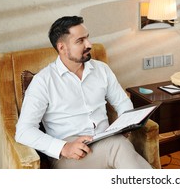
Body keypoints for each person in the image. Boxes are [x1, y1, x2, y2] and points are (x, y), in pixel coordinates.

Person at [15, 16, 152, 169]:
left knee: (118, 145)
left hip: (106, 140)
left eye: (87, 38)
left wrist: (126, 125)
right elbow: (23, 131)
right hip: (71, 154)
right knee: (119, 146)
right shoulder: (43, 81)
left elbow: (122, 102)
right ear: (62, 47)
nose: (89, 44)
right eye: (80, 41)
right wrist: (64, 147)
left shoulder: (102, 69)